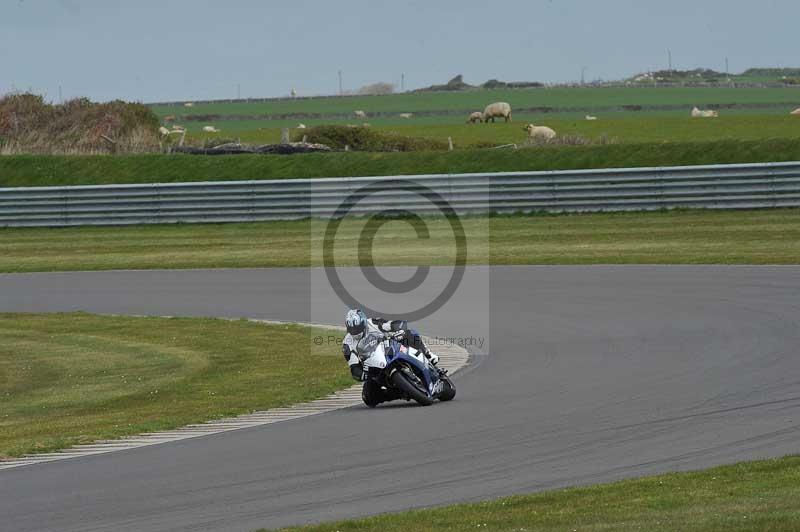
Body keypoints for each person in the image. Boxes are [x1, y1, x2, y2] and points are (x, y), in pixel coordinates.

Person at [342, 308, 438, 382]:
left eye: (357, 328)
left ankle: (428, 355)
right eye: (352, 329)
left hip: (388, 349)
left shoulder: (373, 323)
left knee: (409, 333)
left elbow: (392, 324)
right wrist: (360, 374)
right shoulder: (347, 343)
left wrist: (399, 330)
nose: (355, 331)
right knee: (368, 396)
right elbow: (353, 365)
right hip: (373, 365)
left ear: (363, 323)